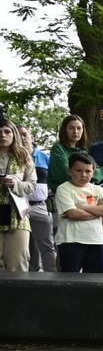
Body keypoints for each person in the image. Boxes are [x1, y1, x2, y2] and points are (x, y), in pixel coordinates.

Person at [54, 153, 103, 273]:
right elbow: (73, 214)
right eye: (78, 170)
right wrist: (97, 211)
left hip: (96, 240)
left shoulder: (98, 189)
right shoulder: (63, 189)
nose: (83, 175)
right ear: (69, 171)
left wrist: (83, 207)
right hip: (70, 241)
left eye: (88, 171)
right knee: (69, 281)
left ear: (93, 171)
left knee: (97, 281)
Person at [0, 117, 36, 271]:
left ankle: (18, 296)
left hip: (17, 215)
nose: (2, 135)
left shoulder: (24, 157)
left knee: (18, 263)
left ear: (14, 134)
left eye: (7, 131)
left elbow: (32, 186)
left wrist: (15, 184)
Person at [20, 127, 57, 272]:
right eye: (19, 135)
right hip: (17, 207)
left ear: (32, 138)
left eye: (25, 135)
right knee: (24, 246)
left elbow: (54, 178)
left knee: (47, 244)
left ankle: (52, 276)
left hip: (40, 205)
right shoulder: (11, 158)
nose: (22, 138)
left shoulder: (44, 156)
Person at [48, 114, 101, 193]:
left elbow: (100, 173)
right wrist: (88, 177)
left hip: (83, 192)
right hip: (64, 192)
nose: (75, 131)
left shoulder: (83, 151)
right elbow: (63, 174)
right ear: (65, 130)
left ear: (83, 130)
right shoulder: (58, 148)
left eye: (79, 128)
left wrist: (80, 175)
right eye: (71, 128)